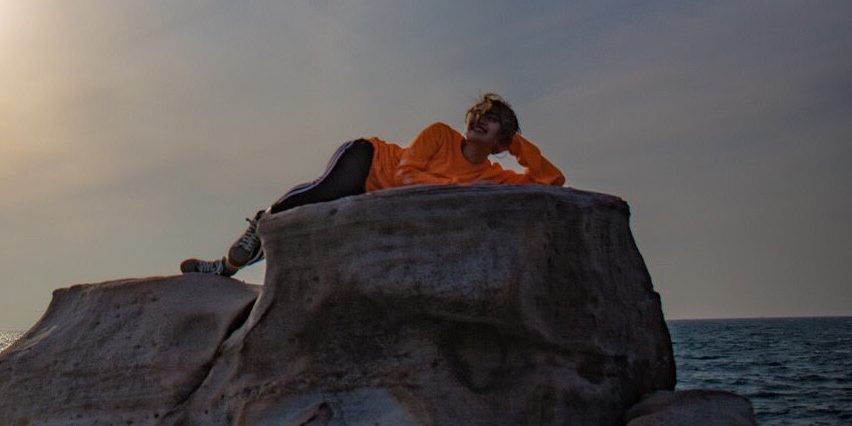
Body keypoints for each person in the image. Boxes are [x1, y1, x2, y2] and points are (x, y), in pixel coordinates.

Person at [180, 93, 565, 276]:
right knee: (320, 195)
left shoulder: (493, 176)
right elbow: (405, 175)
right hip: (367, 161)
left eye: (492, 119)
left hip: (377, 202)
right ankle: (259, 224)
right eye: (479, 113)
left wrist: (515, 143)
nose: (480, 119)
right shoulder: (440, 135)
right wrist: (455, 185)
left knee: (307, 235)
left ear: (502, 142)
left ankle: (225, 267)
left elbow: (551, 182)